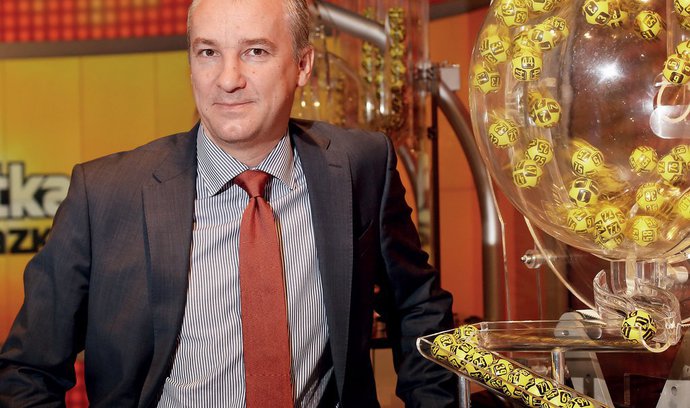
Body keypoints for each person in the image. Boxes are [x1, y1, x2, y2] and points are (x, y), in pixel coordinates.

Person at [0, 0, 458, 406]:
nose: (228, 79)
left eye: (255, 51)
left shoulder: (361, 165)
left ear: (302, 65)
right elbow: (27, 372)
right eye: (208, 52)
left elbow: (419, 307)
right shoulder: (103, 194)